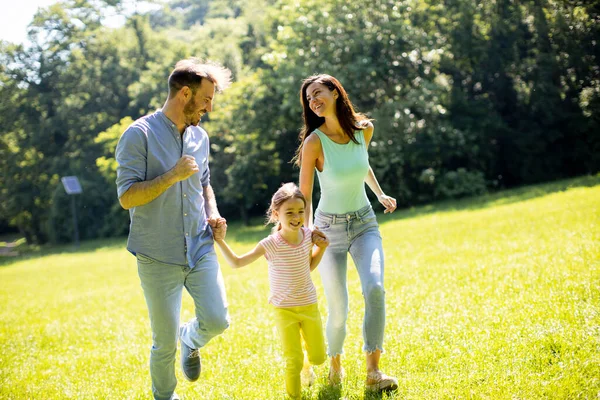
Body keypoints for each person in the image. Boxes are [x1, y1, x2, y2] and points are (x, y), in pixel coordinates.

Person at [115, 58, 231, 400]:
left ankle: (191, 339)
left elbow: (205, 184)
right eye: (207, 99)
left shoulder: (200, 137)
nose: (210, 107)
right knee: (163, 342)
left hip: (199, 245)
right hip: (157, 254)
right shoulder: (139, 135)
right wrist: (171, 176)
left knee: (218, 320)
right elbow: (126, 197)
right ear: (184, 93)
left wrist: (213, 213)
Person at [294, 74, 399, 392]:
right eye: (309, 98)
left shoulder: (364, 129)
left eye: (318, 93)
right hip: (329, 231)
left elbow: (361, 163)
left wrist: (379, 194)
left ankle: (373, 372)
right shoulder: (314, 142)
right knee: (338, 306)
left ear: (335, 93)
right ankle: (335, 366)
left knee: (375, 288)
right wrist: (308, 231)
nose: (313, 100)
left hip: (365, 223)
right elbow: (304, 194)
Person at [211, 182, 329, 399]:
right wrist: (220, 241)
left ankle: (307, 365)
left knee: (319, 357)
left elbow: (308, 267)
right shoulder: (270, 244)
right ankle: (295, 394)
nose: (296, 217)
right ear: (276, 214)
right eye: (289, 212)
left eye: (301, 211)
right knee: (292, 359)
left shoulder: (308, 235)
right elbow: (237, 263)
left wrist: (320, 248)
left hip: (309, 305)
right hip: (284, 310)